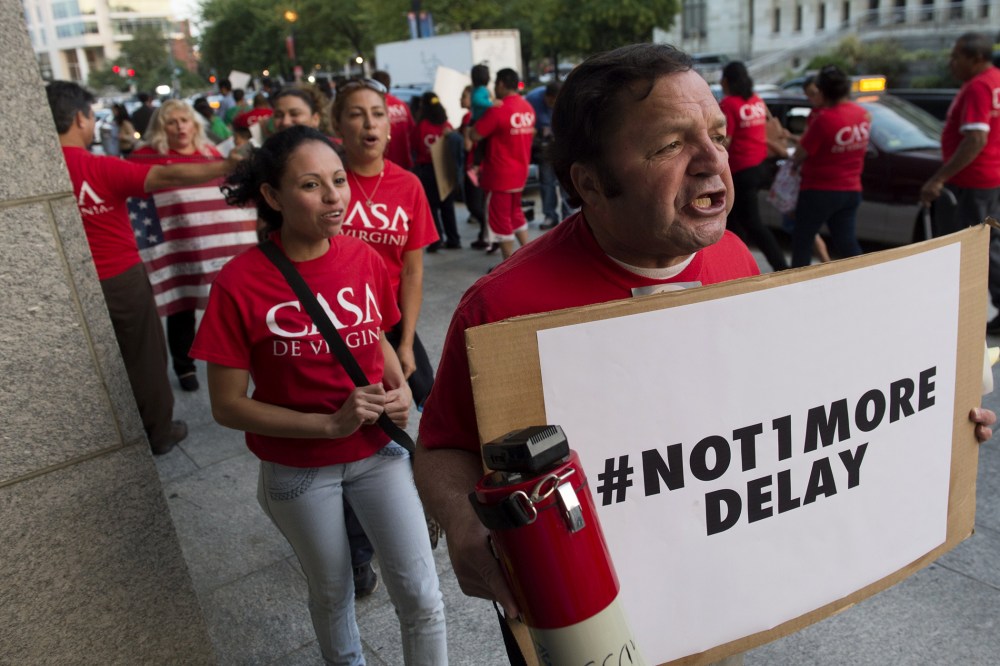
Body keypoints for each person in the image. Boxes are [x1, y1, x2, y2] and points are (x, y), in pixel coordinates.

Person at [410, 44, 997, 665]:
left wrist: (932, 423)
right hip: (577, 616)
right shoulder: (501, 305)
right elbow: (441, 446)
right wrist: (465, 525)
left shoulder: (736, 260)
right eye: (669, 145)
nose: (712, 160)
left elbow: (795, 407)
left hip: (711, 600)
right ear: (590, 182)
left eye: (716, 135)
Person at [189, 125, 447, 665]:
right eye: (311, 185)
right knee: (333, 594)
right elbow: (227, 404)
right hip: (299, 471)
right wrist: (328, 425)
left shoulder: (364, 259)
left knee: (423, 596)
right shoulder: (239, 282)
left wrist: (397, 392)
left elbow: (374, 338)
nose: (334, 196)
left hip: (379, 453)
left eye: (337, 180)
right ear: (272, 197)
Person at [46, 81, 242, 455]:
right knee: (145, 358)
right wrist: (226, 165)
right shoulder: (100, 168)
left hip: (64, 286)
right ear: (80, 118)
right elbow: (166, 176)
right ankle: (160, 431)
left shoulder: (38, 174)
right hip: (120, 281)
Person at [331, 76, 441, 596]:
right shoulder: (327, 183)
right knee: (367, 436)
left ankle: (446, 506)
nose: (369, 123)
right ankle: (357, 553)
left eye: (377, 112)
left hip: (394, 321)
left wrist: (405, 341)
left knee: (439, 409)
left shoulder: (408, 185)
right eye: (355, 113)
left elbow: (414, 271)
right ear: (338, 125)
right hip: (344, 326)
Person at [129, 99, 258, 392]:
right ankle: (184, 366)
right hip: (176, 247)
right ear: (161, 127)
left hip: (214, 245)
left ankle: (240, 359)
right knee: (182, 304)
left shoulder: (209, 153)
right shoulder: (147, 158)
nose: (180, 127)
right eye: (172, 122)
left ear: (194, 124)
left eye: (184, 121)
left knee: (227, 304)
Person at [919, 32, 1000, 332]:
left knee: (975, 248)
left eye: (957, 57)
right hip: (988, 177)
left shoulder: (979, 86)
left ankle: (962, 315)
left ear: (976, 58)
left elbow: (976, 138)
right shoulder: (994, 80)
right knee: (988, 245)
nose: (952, 63)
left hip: (974, 180)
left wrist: (939, 178)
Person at [789, 64, 870, 268]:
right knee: (846, 242)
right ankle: (862, 277)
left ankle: (799, 286)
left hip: (819, 191)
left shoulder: (824, 119)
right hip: (851, 189)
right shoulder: (863, 114)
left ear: (823, 91)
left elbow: (800, 154)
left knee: (803, 241)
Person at [719, 61, 789, 272]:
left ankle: (781, 266)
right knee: (733, 220)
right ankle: (734, 265)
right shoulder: (757, 100)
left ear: (726, 81)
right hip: (760, 166)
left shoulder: (729, 103)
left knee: (751, 222)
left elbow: (727, 140)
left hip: (741, 169)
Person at [469, 68, 535, 260]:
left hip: (499, 176)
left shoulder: (498, 110)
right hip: (520, 172)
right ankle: (529, 257)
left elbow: (475, 134)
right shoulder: (527, 107)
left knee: (501, 221)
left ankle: (510, 265)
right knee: (516, 215)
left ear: (501, 84)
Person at [412, 91, 461, 249]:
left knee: (432, 208)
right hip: (445, 169)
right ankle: (454, 239)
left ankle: (436, 239)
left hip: (428, 170)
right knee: (448, 206)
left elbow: (416, 147)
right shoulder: (446, 125)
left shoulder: (422, 125)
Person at [525, 81, 572, 230]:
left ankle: (569, 215)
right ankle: (549, 215)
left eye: (555, 102)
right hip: (544, 146)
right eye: (550, 101)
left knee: (566, 181)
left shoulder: (569, 100)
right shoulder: (532, 99)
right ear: (546, 96)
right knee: (546, 182)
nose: (552, 104)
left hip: (564, 145)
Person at [458, 85, 489, 249]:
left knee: (473, 205)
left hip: (472, 167)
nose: (460, 100)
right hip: (482, 166)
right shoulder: (483, 115)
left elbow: (468, 145)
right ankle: (485, 234)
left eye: (463, 96)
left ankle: (488, 230)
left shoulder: (468, 117)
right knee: (481, 203)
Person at [372, 71, 416, 170]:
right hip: (405, 162)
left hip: (384, 165)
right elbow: (412, 131)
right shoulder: (401, 105)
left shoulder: (374, 107)